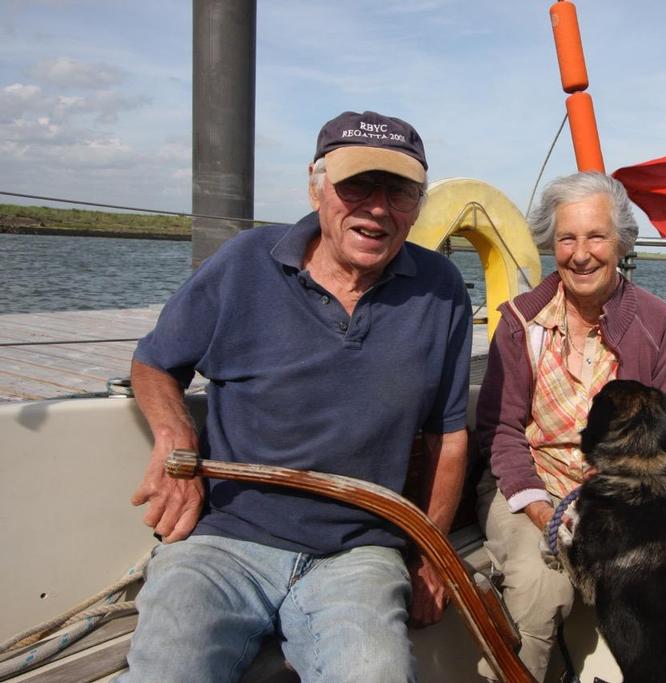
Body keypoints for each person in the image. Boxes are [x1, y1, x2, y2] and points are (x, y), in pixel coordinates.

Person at [120, 110, 472, 682]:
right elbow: (155, 362)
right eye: (357, 184)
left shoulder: (442, 289)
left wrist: (434, 557)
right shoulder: (244, 263)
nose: (377, 207)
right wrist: (175, 437)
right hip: (224, 540)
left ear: (418, 204)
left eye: (400, 191)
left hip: (358, 553)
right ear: (317, 185)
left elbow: (447, 436)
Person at [474, 171, 666, 681]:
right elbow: (500, 431)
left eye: (596, 236)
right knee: (540, 588)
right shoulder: (518, 323)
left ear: (620, 242)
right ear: (551, 244)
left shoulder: (658, 323)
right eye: (566, 238)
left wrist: (613, 507)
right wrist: (540, 507)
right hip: (525, 487)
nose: (581, 253)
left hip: (621, 497)